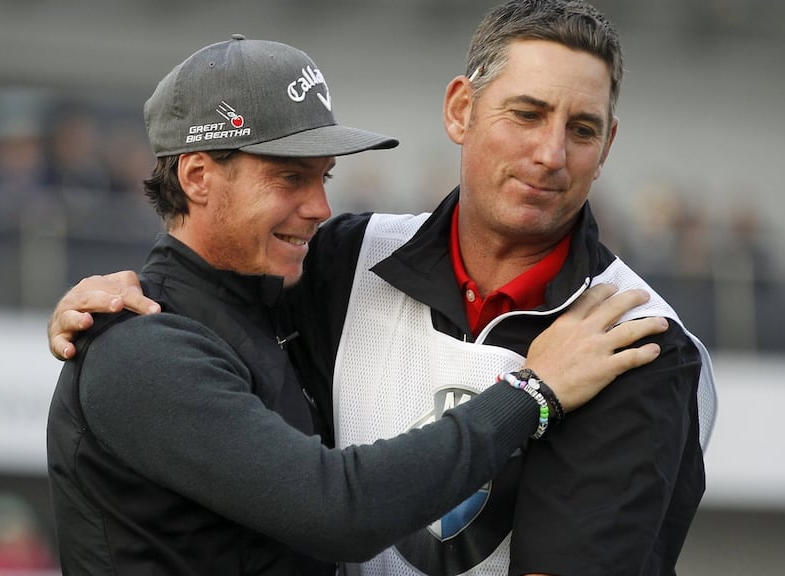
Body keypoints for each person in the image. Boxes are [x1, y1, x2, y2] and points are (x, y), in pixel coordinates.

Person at [45, 34, 671, 576]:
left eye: (324, 178)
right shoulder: (142, 346)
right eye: (289, 178)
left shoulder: (278, 300)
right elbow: (338, 511)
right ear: (197, 177)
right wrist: (533, 394)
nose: (319, 206)